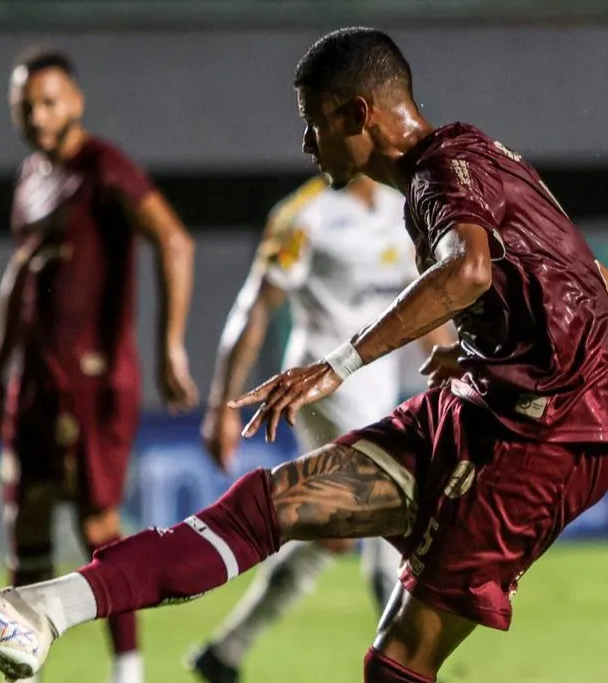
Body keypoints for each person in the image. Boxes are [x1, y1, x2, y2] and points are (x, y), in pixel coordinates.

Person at [0, 28, 608, 683]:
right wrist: (491, 351)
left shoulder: (439, 178)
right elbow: (594, 280)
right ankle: (34, 613)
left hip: (546, 437)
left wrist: (338, 363)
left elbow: (468, 271)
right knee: (266, 504)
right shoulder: (479, 159)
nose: (307, 144)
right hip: (487, 405)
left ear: (356, 114)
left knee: (399, 659)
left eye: (312, 124)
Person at [0, 48, 199, 683]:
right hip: (35, 380)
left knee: (99, 521)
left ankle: (127, 671)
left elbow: (175, 239)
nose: (38, 115)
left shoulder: (104, 167)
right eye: (26, 106)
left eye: (49, 102)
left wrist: (170, 346)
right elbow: (18, 277)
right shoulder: (29, 177)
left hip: (94, 380)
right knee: (26, 526)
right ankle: (24, 670)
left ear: (75, 101)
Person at [190, 173, 454, 683]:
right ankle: (405, 668)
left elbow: (420, 306)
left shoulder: (401, 208)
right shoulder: (302, 217)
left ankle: (224, 652)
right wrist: (222, 403)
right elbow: (255, 305)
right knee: (392, 515)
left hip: (378, 392)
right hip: (320, 388)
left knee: (332, 532)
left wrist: (451, 368)